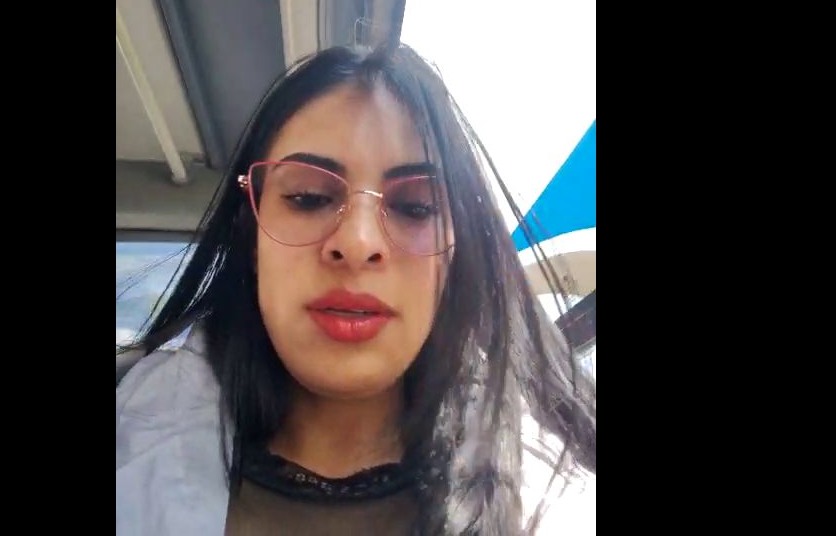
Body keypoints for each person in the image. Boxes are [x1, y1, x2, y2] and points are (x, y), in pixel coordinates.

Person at [116, 43, 596, 535]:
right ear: (251, 233)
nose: (359, 243)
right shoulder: (128, 434)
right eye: (308, 197)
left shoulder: (567, 508)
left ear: (454, 253)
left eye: (415, 207)